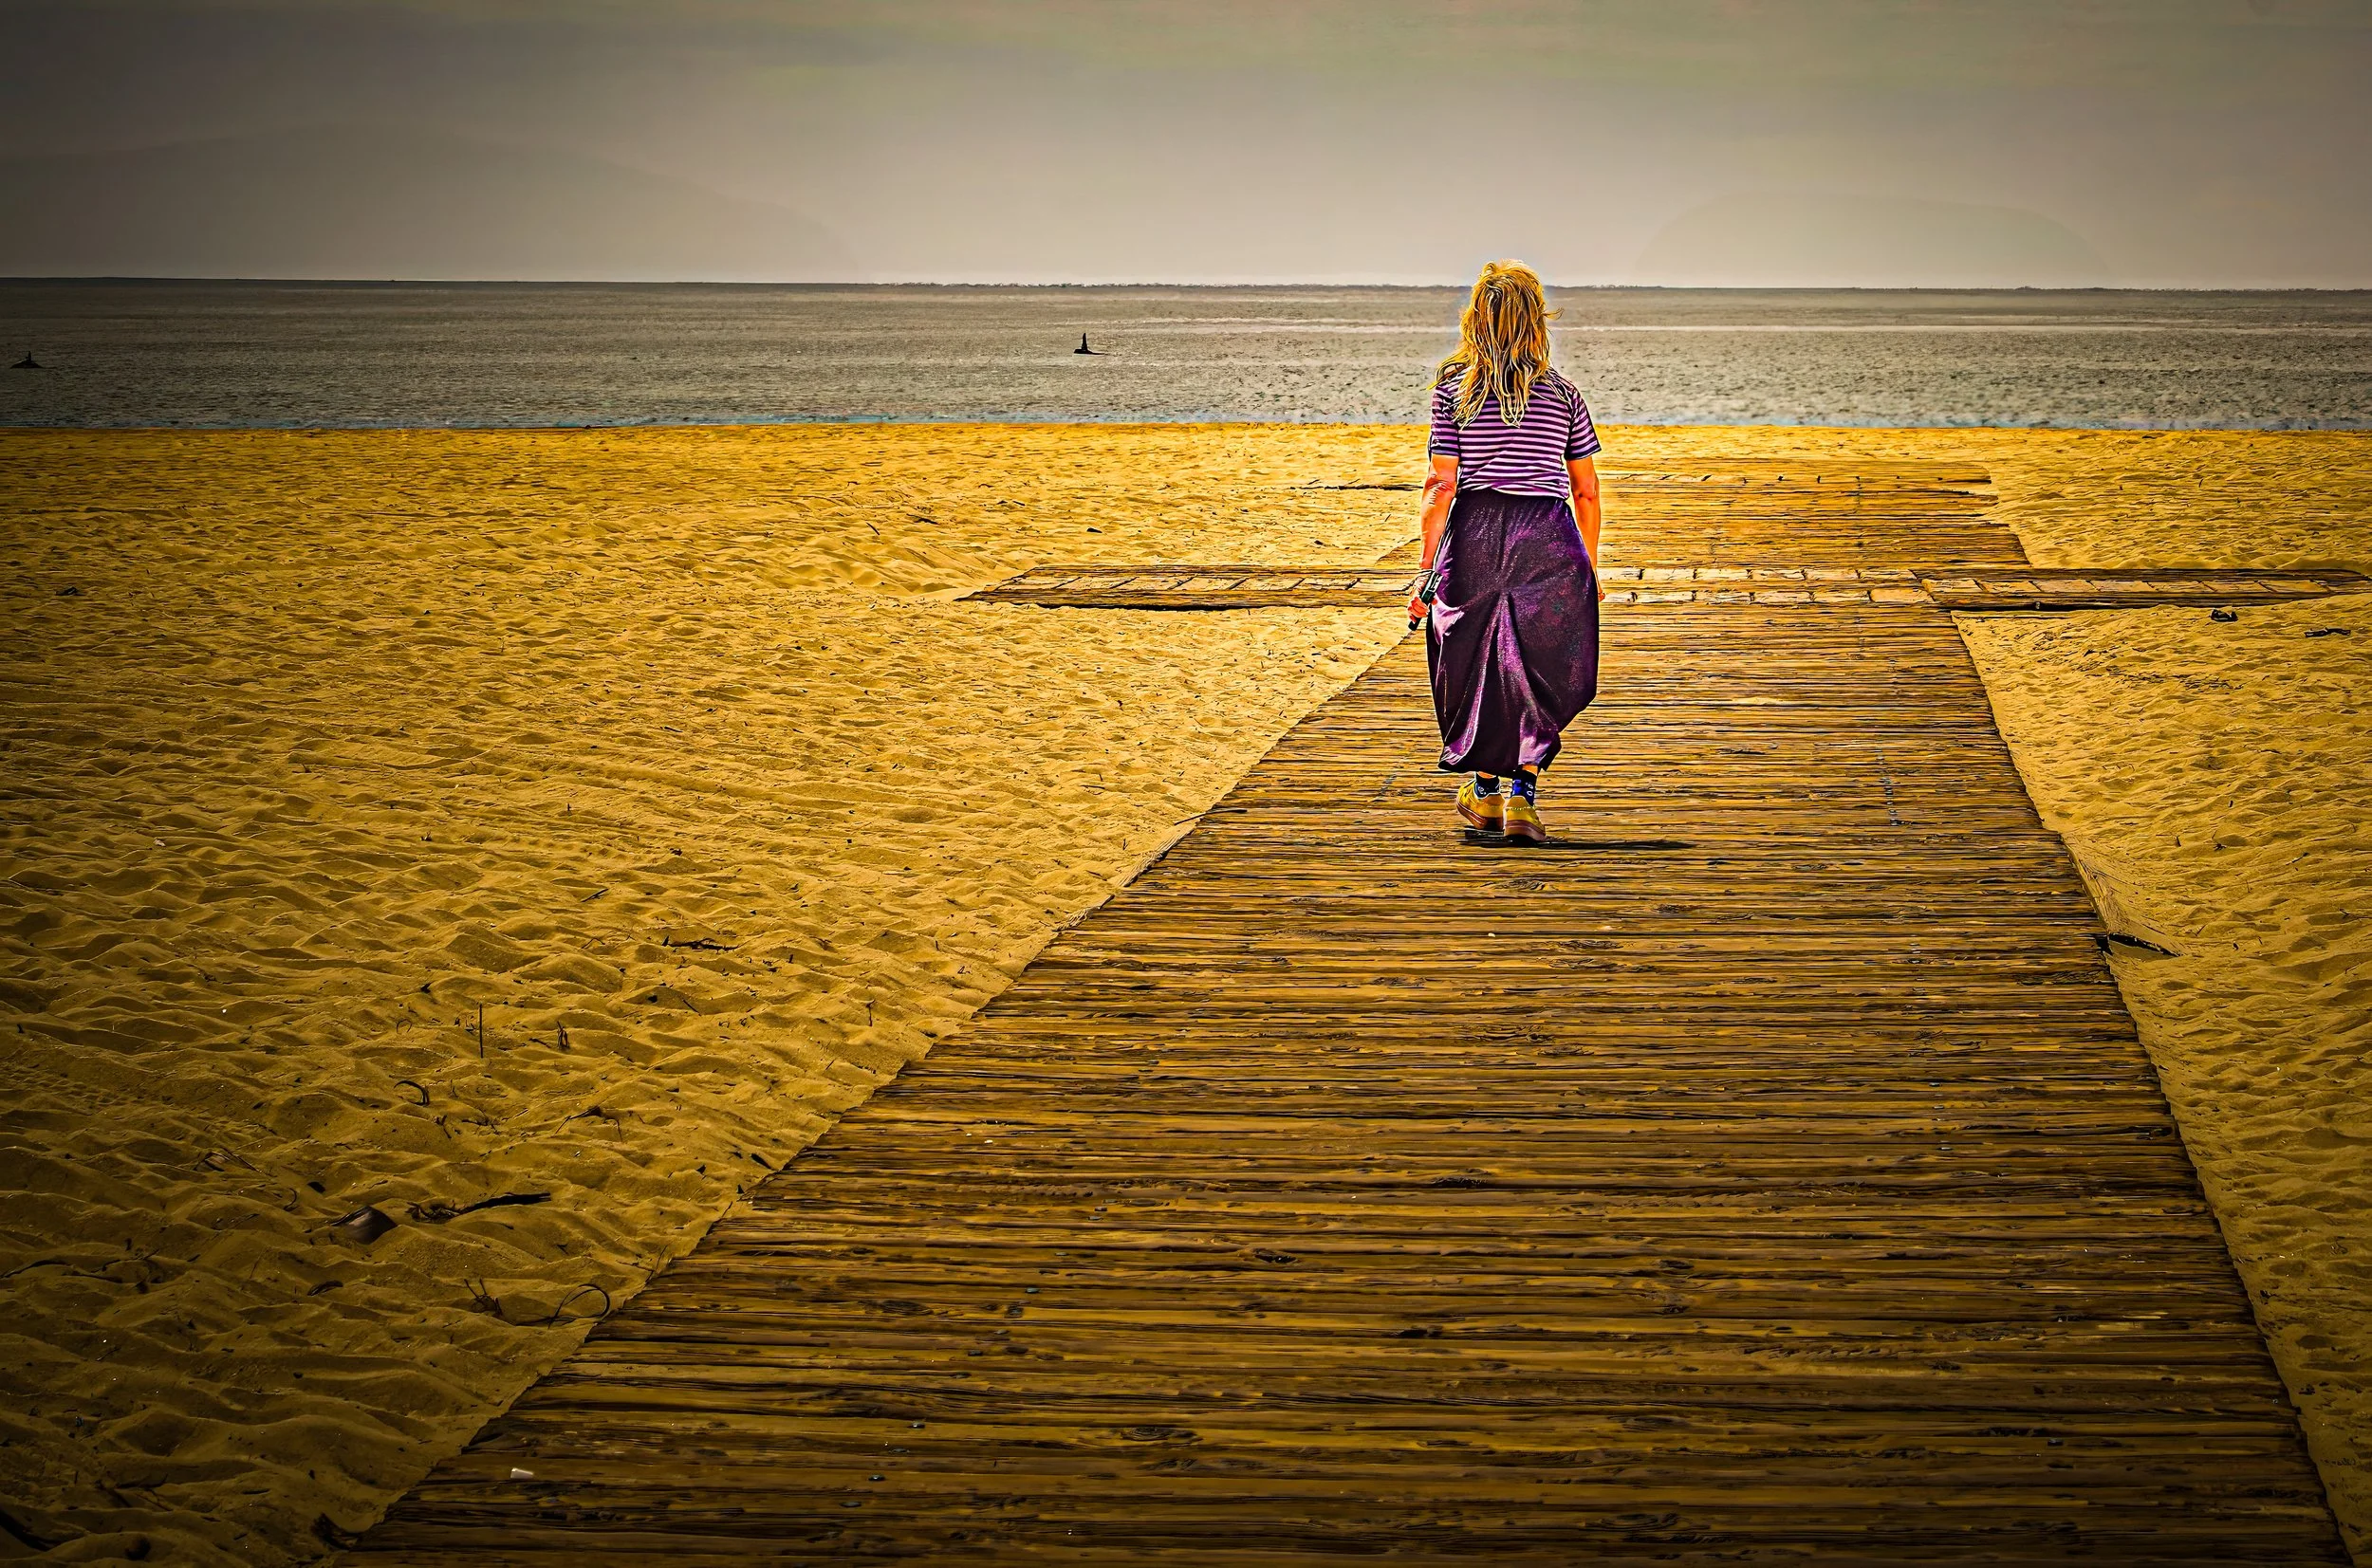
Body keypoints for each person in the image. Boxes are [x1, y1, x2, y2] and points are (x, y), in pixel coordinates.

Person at [1409, 261, 1603, 846]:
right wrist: (1588, 568)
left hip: (1476, 533)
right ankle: (1521, 794)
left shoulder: (1454, 393)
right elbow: (1586, 491)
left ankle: (1487, 789)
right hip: (1548, 535)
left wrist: (1425, 571)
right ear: (1536, 323)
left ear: (1475, 321)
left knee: (1471, 657)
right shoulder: (1564, 395)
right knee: (1540, 662)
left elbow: (1441, 485)